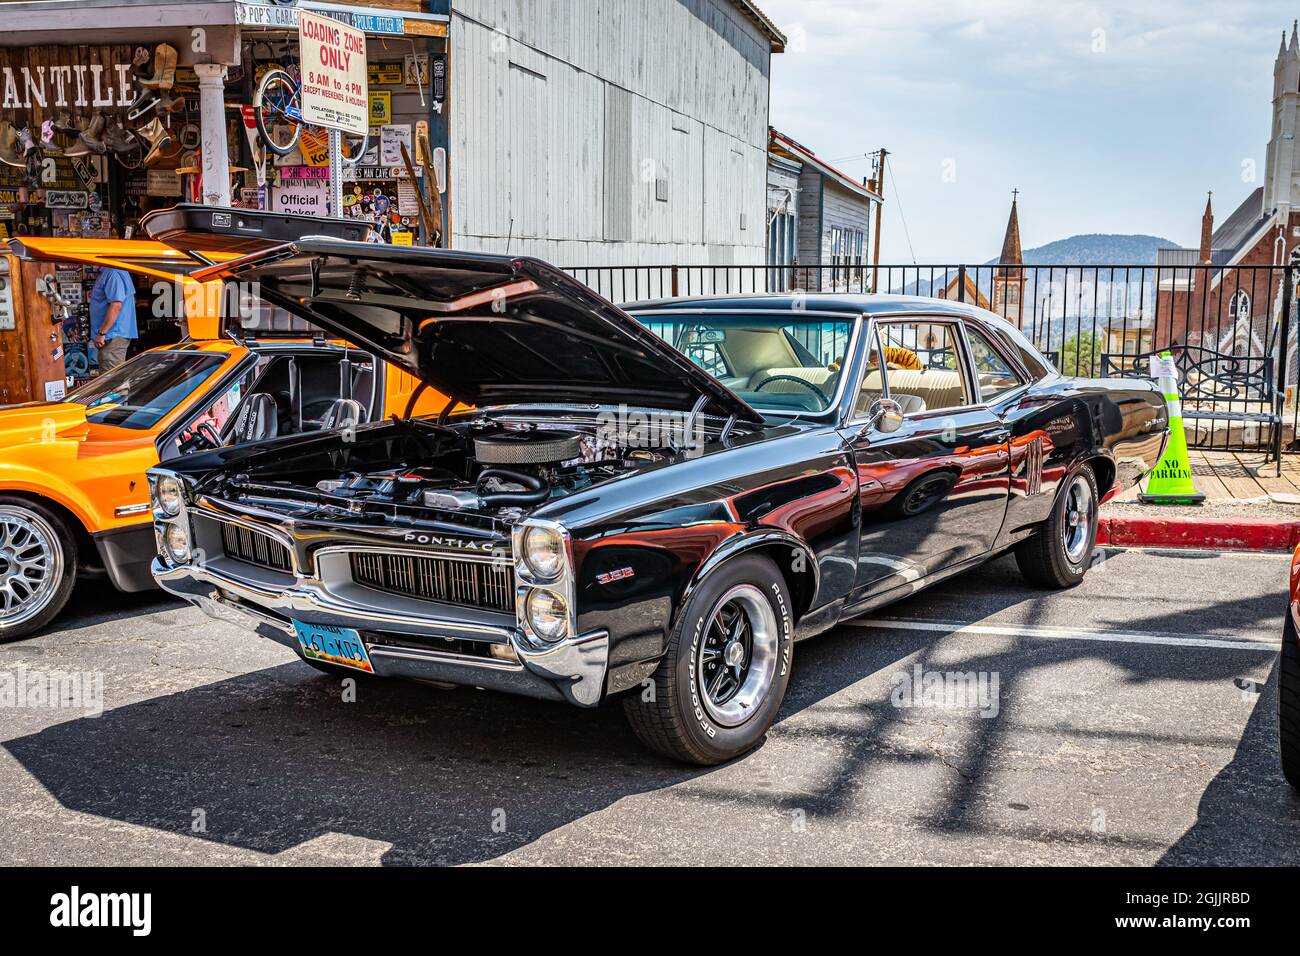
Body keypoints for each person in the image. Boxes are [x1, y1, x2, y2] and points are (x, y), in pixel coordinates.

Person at [89, 265, 138, 372]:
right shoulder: (111, 271)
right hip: (112, 335)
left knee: (112, 381)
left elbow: (116, 304)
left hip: (113, 335)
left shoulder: (113, 272)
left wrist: (102, 333)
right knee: (112, 379)